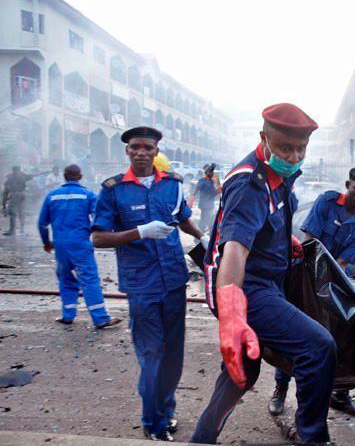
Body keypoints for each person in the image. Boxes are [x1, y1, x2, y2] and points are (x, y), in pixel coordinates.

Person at [190, 103, 336, 445]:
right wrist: (232, 317)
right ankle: (315, 440)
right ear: (264, 139)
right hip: (245, 287)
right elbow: (234, 251)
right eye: (285, 147)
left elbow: (265, 220)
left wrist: (285, 240)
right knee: (318, 347)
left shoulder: (281, 174)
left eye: (301, 148)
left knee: (242, 373)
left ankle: (202, 439)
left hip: (268, 279)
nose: (294, 155)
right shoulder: (249, 182)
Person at [92, 126, 208, 442]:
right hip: (142, 286)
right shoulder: (114, 190)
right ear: (127, 151)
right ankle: (153, 422)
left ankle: (166, 411)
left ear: (156, 152)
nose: (141, 152)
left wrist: (202, 237)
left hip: (173, 281)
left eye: (147, 147)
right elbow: (98, 237)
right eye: (135, 147)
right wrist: (138, 232)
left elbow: (182, 216)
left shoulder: (171, 185)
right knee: (152, 354)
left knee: (173, 355)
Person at [269, 166, 355, 418]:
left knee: (344, 338)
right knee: (292, 336)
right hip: (304, 276)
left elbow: (342, 262)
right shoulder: (326, 202)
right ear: (347, 184)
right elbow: (309, 241)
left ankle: (340, 394)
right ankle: (280, 390)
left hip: (335, 282)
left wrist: (329, 285)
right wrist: (313, 281)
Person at [37, 164, 121, 329]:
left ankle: (68, 315)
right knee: (89, 279)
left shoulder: (52, 196)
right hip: (80, 243)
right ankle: (100, 318)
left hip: (60, 245)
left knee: (66, 278)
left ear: (65, 176)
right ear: (80, 176)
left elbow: (42, 224)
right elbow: (99, 217)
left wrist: (47, 243)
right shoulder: (88, 195)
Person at [2, 165, 33, 235]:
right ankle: (22, 230)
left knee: (13, 213)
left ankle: (12, 230)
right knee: (21, 212)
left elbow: (5, 192)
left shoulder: (10, 178)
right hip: (23, 194)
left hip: (15, 195)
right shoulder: (23, 176)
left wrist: (4, 204)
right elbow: (30, 176)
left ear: (13, 170)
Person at [193, 163, 220, 232]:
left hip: (208, 204)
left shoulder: (207, 181)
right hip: (205, 204)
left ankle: (203, 231)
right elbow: (212, 193)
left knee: (207, 218)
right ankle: (200, 233)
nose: (213, 174)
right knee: (205, 219)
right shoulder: (205, 182)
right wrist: (218, 191)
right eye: (211, 173)